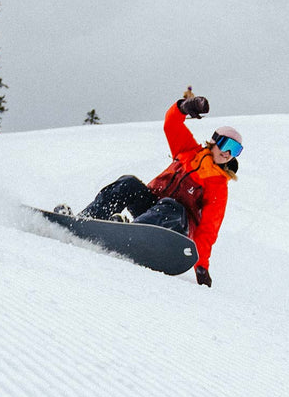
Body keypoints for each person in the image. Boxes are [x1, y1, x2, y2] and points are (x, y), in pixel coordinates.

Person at [58, 95, 243, 287]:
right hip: (152, 211)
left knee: (171, 206)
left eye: (235, 150)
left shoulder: (218, 186)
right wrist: (184, 107)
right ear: (214, 141)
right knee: (128, 183)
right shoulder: (188, 151)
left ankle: (130, 232)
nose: (228, 153)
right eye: (226, 145)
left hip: (177, 226)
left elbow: (208, 229)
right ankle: (84, 220)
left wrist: (201, 266)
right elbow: (171, 124)